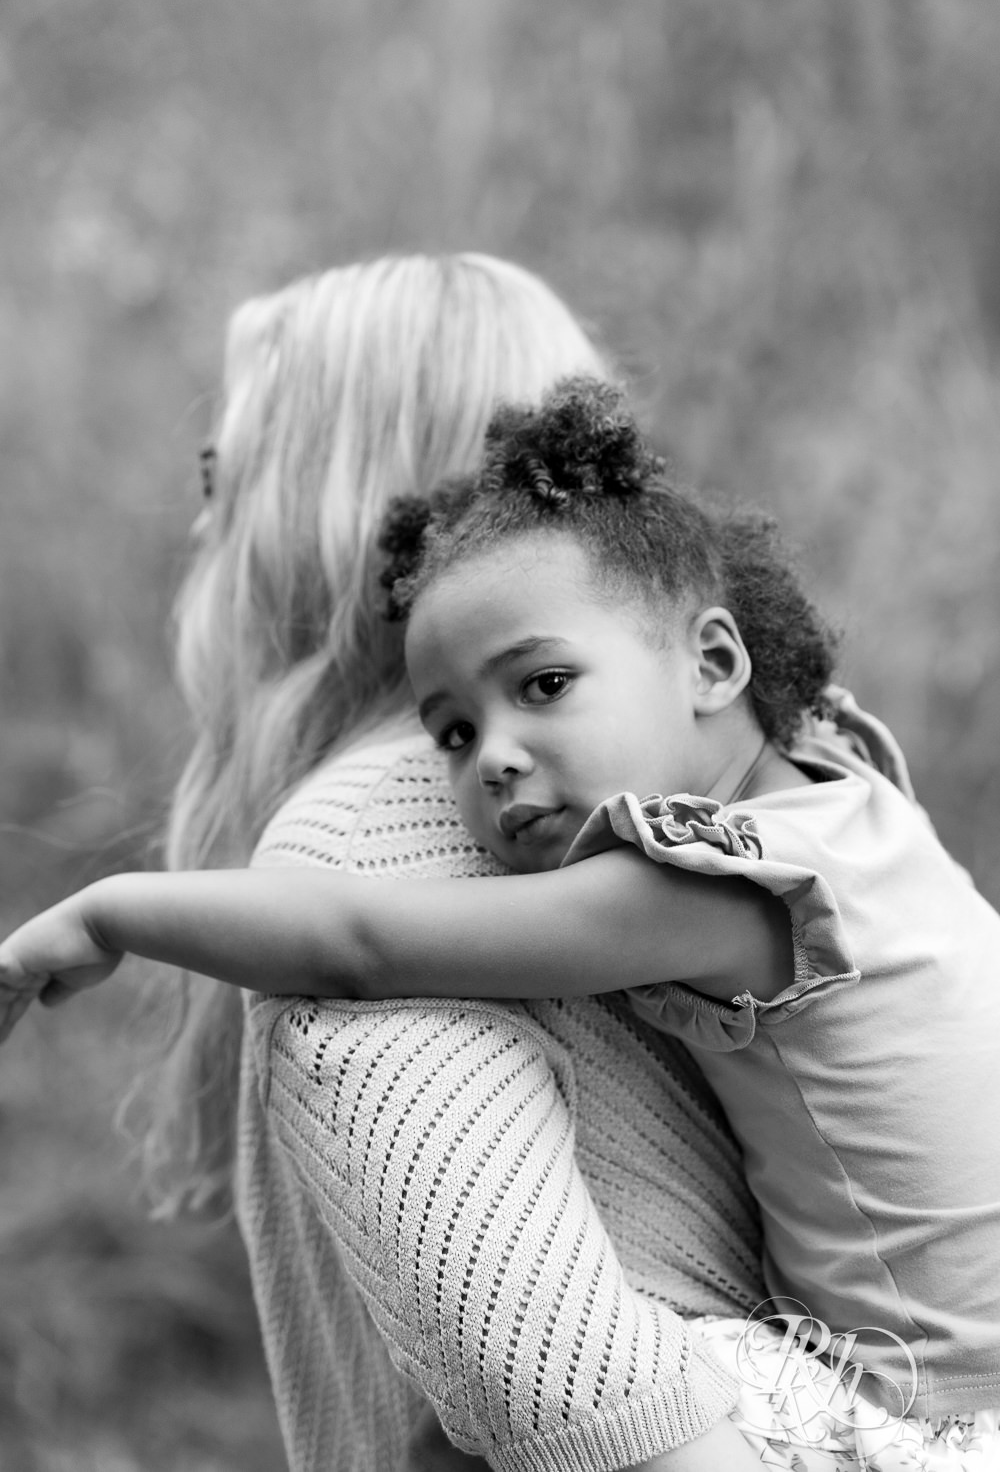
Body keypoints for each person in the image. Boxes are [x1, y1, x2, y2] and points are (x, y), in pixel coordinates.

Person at [5, 376, 1000, 1470]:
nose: (495, 758)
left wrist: (108, 913)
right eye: (450, 733)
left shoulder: (722, 889)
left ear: (714, 664)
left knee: (506, 1433)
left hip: (936, 1423)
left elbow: (360, 943)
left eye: (545, 683)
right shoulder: (844, 792)